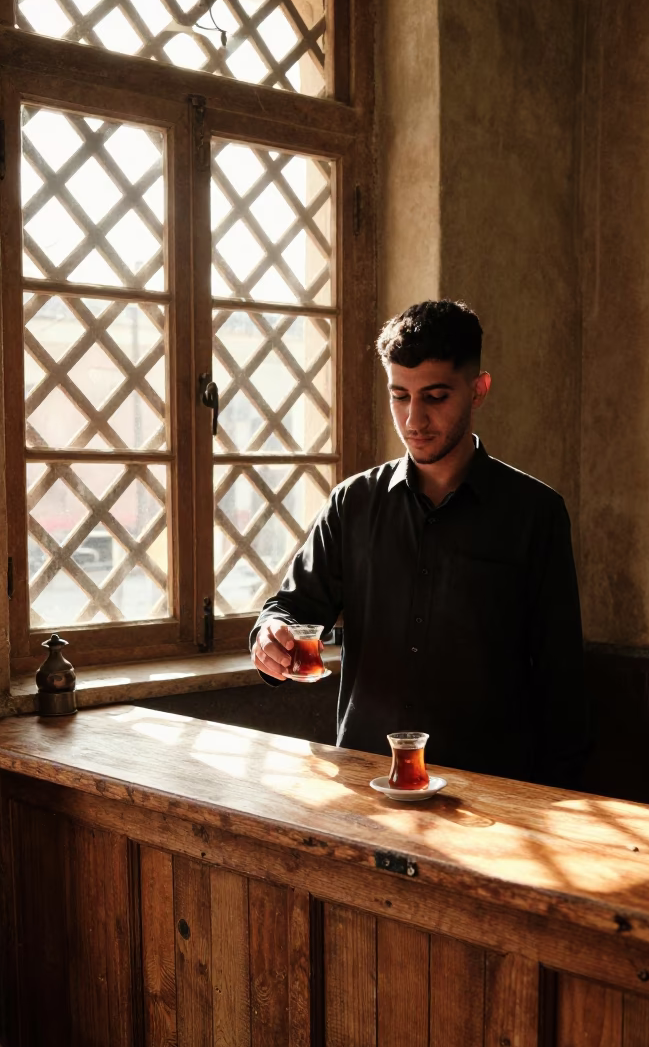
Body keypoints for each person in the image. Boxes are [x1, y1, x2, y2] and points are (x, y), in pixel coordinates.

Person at [250, 299, 588, 787]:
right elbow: (291, 607)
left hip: (490, 793)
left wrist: (561, 806)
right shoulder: (353, 504)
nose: (413, 419)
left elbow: (562, 681)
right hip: (366, 783)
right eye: (399, 396)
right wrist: (269, 635)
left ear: (478, 390)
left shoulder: (536, 514)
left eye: (434, 396)